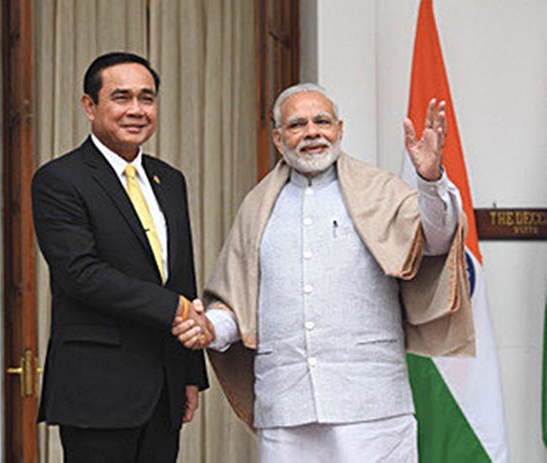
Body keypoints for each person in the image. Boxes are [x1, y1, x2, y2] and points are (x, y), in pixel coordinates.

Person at [173, 83, 474, 462]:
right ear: (279, 140)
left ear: (340, 129)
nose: (312, 132)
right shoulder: (257, 207)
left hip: (372, 407)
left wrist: (430, 182)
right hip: (287, 408)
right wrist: (211, 329)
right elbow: (241, 304)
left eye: (322, 121)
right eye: (298, 125)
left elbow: (436, 239)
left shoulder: (381, 190)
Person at [32, 52, 211, 463]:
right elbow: (81, 273)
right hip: (97, 392)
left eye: (146, 98)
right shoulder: (60, 179)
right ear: (89, 106)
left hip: (164, 388)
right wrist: (177, 309)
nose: (136, 110)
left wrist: (189, 374)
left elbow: (180, 275)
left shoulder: (170, 180)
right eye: (121, 97)